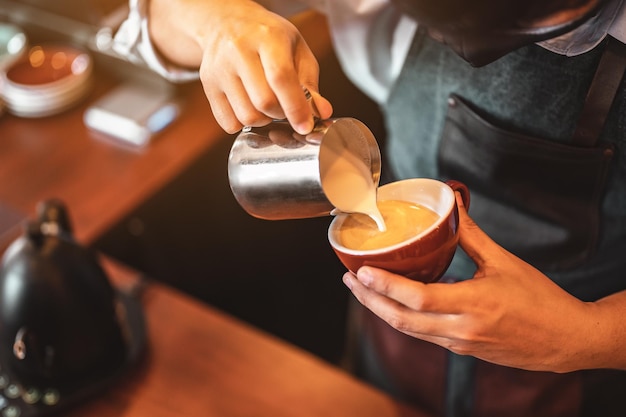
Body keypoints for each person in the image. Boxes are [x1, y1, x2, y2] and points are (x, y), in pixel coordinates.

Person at [112, 0, 626, 415]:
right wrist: (218, 20)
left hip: (583, 378)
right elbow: (159, 15)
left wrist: (583, 334)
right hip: (391, 350)